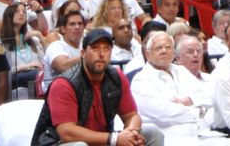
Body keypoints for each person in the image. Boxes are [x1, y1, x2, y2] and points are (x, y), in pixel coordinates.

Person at [27, 28, 161, 146]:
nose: (101, 54)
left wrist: (130, 133)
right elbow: (67, 133)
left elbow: (131, 115)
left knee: (152, 133)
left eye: (106, 49)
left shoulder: (116, 77)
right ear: (83, 53)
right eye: (95, 48)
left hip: (103, 140)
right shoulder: (64, 84)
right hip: (59, 142)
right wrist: (114, 139)